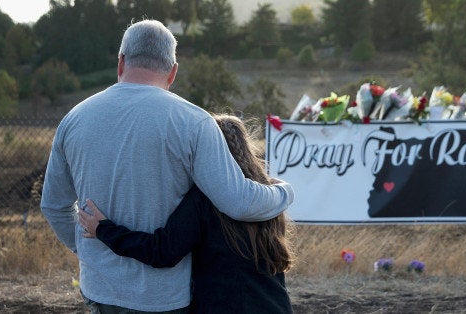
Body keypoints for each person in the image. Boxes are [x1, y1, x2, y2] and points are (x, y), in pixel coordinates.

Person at [40, 20, 294, 313]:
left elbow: (54, 206)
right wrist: (284, 193)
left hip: (101, 290)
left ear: (121, 61)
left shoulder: (74, 119)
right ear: (173, 71)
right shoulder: (194, 122)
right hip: (166, 298)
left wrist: (87, 250)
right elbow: (237, 202)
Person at [78, 115, 294, 313]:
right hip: (276, 306)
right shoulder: (268, 196)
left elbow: (162, 251)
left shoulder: (204, 198)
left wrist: (104, 230)